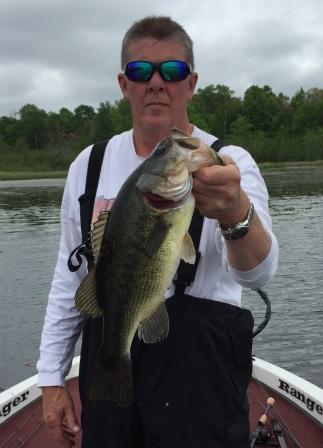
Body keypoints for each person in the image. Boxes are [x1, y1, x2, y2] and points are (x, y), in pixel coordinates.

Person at [37, 15, 279, 448]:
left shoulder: (229, 163)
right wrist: (52, 378)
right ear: (123, 83)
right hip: (112, 340)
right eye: (139, 71)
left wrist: (235, 214)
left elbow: (258, 275)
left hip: (199, 370)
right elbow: (68, 279)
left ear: (191, 83)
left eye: (172, 71)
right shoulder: (87, 166)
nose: (155, 83)